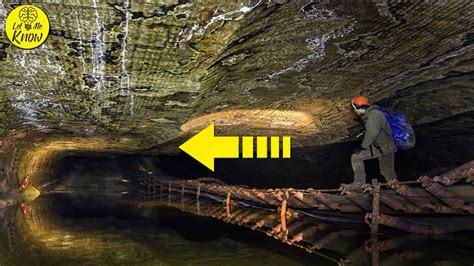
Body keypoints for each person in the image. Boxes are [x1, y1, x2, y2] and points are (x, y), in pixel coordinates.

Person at [342, 96, 398, 189]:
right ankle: (396, 188)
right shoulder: (374, 113)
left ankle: (358, 183)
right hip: (388, 145)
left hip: (383, 146)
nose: (354, 111)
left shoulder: (373, 115)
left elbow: (372, 132)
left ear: (358, 107)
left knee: (356, 157)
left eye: (354, 108)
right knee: (386, 170)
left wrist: (363, 147)